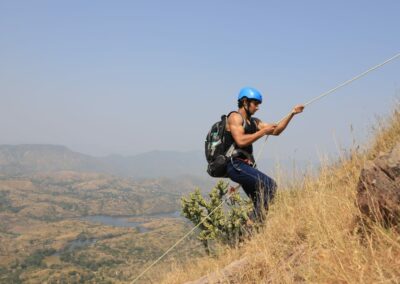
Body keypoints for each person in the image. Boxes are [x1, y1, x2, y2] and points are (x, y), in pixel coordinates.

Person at [225, 87, 304, 222]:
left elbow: (276, 130)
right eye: (255, 103)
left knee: (260, 198)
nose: (257, 107)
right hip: (235, 164)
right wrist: (263, 132)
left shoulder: (254, 122)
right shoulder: (234, 117)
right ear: (245, 102)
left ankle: (251, 229)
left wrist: (292, 113)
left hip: (245, 166)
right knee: (270, 186)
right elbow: (240, 140)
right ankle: (253, 223)